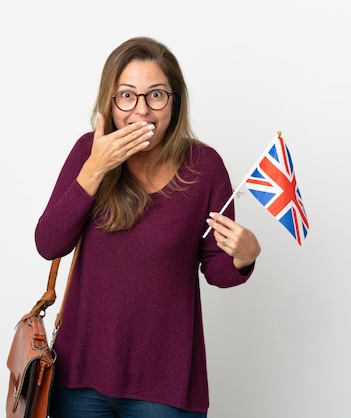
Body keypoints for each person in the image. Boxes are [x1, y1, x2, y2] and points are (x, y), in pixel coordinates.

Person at [34, 36, 261, 418]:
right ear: (110, 101)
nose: (141, 110)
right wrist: (94, 169)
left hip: (165, 384)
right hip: (79, 376)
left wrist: (244, 256)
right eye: (127, 96)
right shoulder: (87, 152)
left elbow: (217, 271)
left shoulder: (204, 167)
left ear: (174, 100)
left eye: (156, 95)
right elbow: (49, 243)